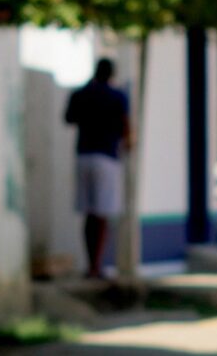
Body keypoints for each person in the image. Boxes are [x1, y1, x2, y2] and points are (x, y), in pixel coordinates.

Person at [65, 58, 130, 279]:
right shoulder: (117, 96)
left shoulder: (81, 94)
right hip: (107, 157)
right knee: (102, 214)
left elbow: (69, 118)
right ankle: (97, 265)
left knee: (88, 213)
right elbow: (125, 127)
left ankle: (90, 264)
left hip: (83, 155)